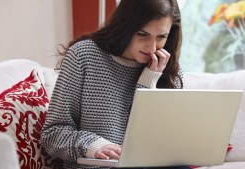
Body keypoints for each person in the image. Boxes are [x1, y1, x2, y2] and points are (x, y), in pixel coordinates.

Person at [41, 0, 189, 168]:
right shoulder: (84, 57)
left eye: (161, 36)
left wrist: (149, 81)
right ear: (125, 26)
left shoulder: (168, 71)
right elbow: (52, 135)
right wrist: (94, 146)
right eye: (142, 34)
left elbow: (152, 142)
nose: (152, 47)